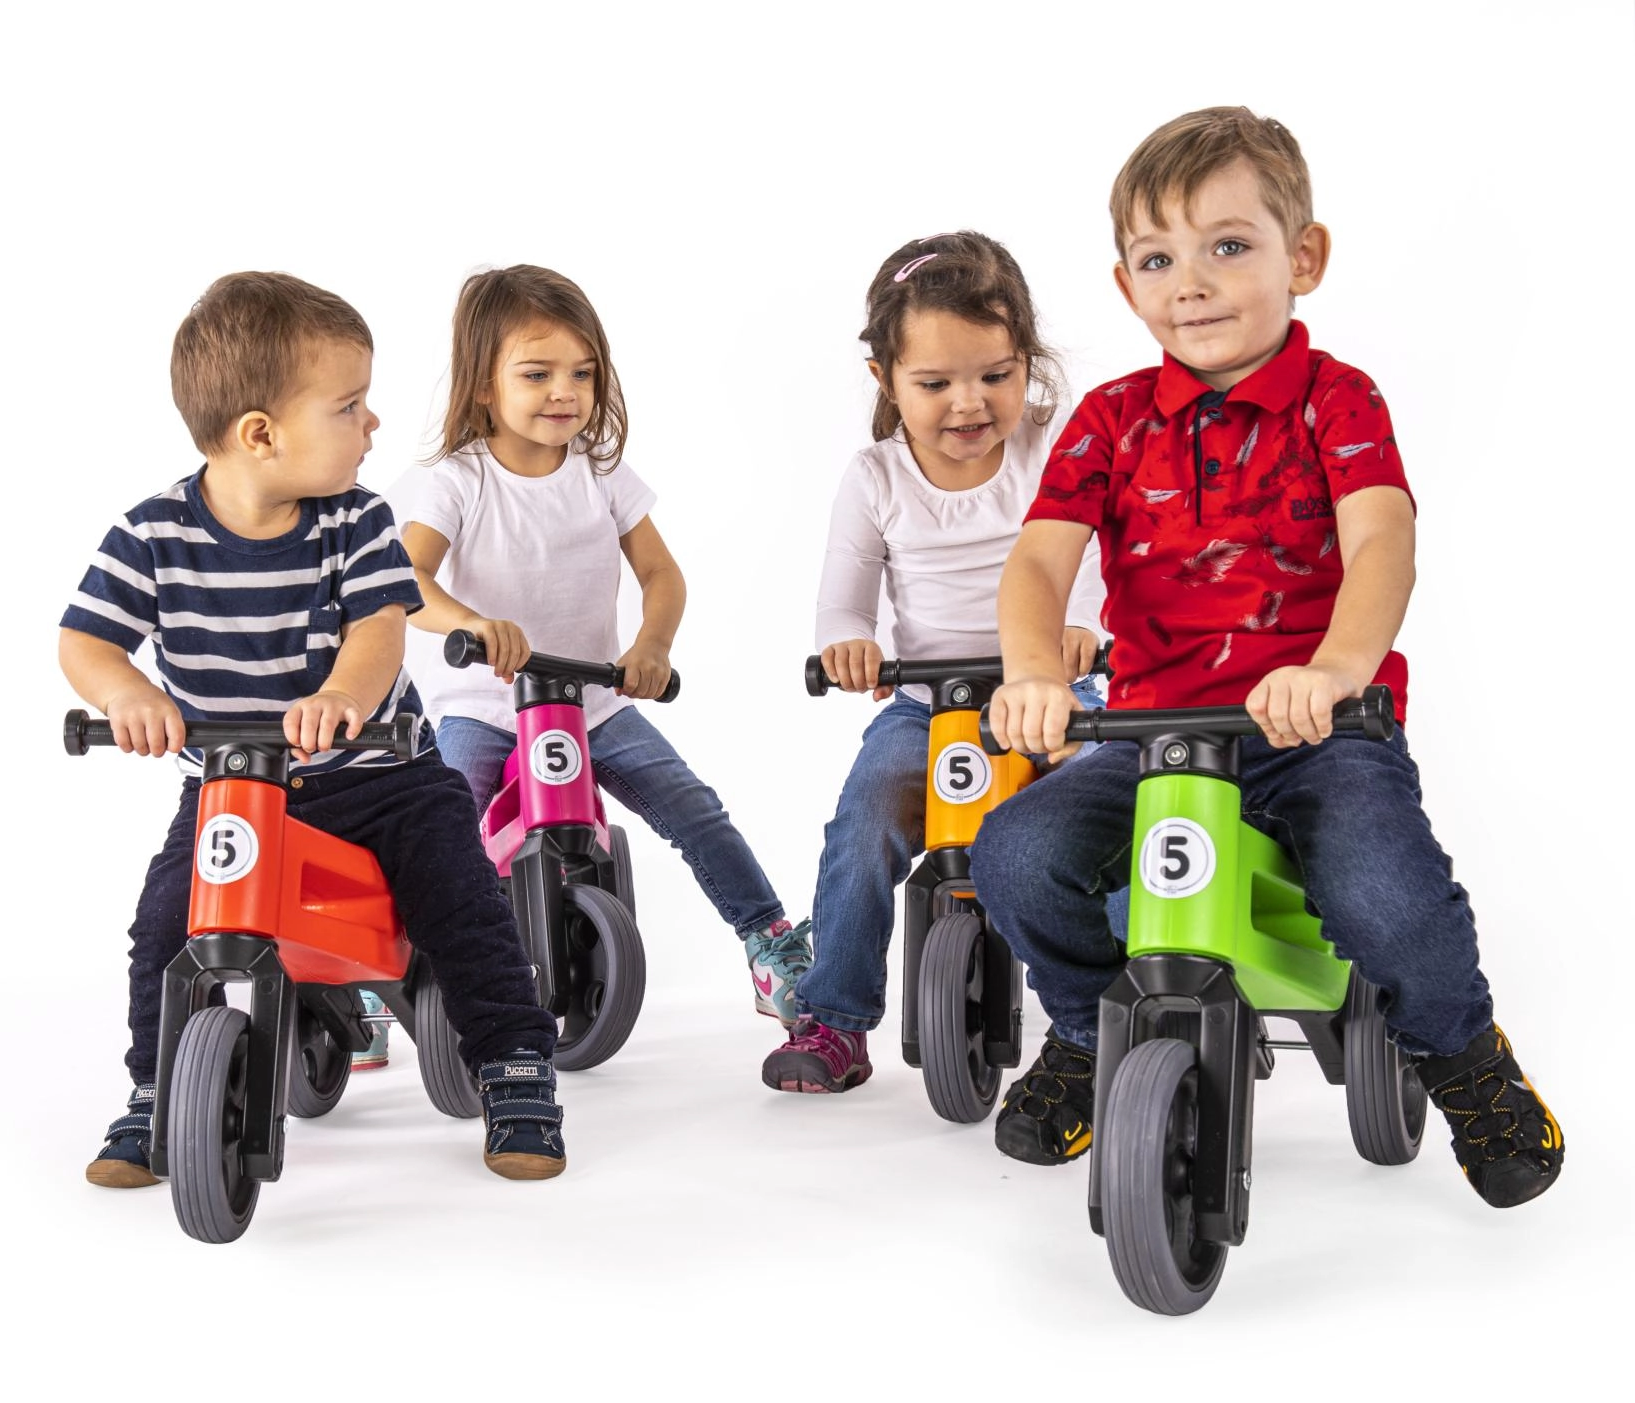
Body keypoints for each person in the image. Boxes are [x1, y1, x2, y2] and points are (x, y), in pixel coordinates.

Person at [972, 107, 1564, 1206]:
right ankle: (1090, 1030)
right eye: (1159, 259)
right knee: (1014, 850)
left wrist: (1336, 668)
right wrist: (1034, 671)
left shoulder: (1337, 400)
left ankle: (1465, 1059)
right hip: (1149, 735)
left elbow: (1381, 540)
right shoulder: (1107, 420)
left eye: (1228, 245)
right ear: (1125, 286)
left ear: (1304, 257)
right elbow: (1039, 560)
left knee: (1383, 891)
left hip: (1315, 731)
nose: (1191, 283)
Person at [63, 271, 567, 1187]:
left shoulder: (357, 521)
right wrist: (126, 693)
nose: (372, 423)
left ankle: (515, 1063)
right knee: (162, 924)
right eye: (348, 406)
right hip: (234, 785)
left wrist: (343, 695)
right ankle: (155, 1090)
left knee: (459, 901)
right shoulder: (151, 535)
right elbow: (86, 640)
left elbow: (379, 628)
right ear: (262, 433)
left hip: (382, 777)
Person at [395, 265, 811, 1023]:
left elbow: (661, 573)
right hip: (484, 706)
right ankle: (390, 974)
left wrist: (652, 644)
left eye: (582, 373)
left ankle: (769, 942)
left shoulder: (602, 471)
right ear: (483, 384)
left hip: (590, 699)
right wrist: (472, 624)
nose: (565, 391)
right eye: (537, 374)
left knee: (693, 807)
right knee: (442, 832)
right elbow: (409, 580)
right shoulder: (458, 480)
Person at [762, 231, 1107, 1095]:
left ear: (1027, 361)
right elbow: (843, 600)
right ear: (885, 379)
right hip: (929, 703)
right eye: (935, 383)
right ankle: (834, 1017)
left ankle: (1124, 995)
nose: (969, 402)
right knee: (864, 820)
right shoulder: (876, 477)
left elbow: (1094, 552)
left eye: (995, 374)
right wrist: (849, 642)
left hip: (1055, 688)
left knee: (1106, 806)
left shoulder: (1050, 447)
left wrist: (1082, 624)